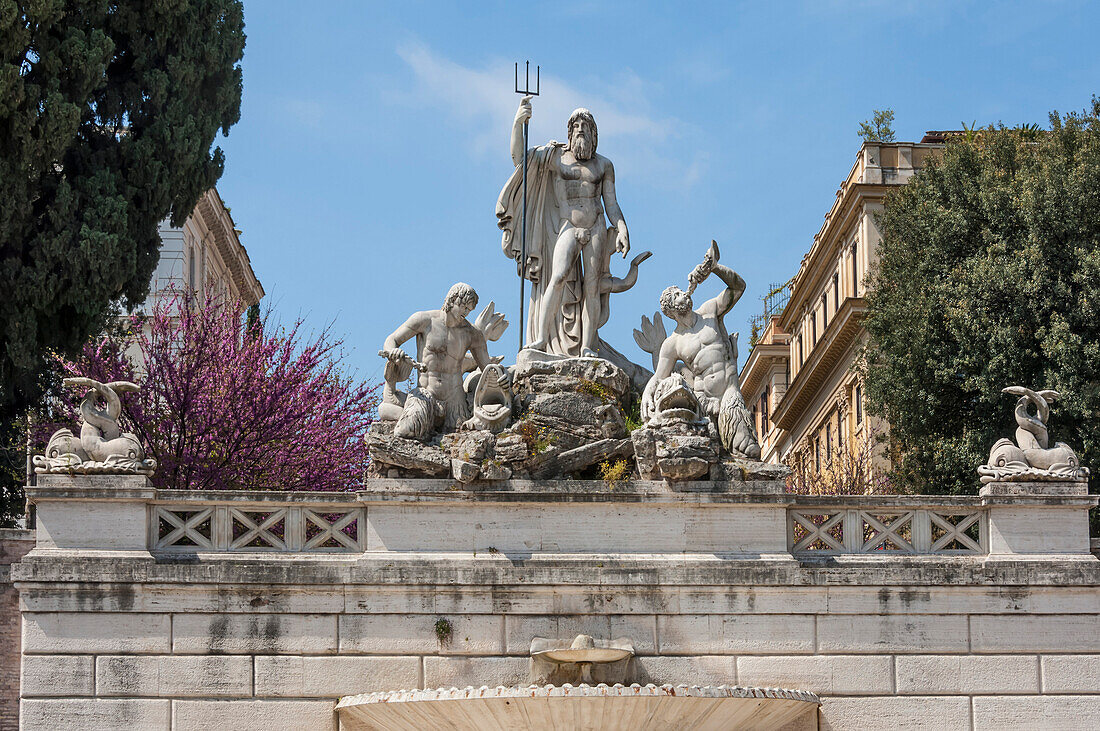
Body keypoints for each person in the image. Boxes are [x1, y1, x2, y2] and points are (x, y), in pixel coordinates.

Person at [497, 98, 629, 357]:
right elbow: (519, 158)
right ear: (569, 132)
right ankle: (541, 339)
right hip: (568, 226)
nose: (580, 129)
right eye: (576, 125)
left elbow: (611, 203)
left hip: (596, 227)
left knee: (591, 287)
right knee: (557, 278)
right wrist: (518, 122)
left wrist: (622, 228)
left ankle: (588, 346)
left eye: (586, 126)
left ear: (594, 134)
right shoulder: (554, 157)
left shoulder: (603, 165)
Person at [642, 242, 762, 459]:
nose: (683, 294)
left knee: (747, 451)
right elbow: (659, 377)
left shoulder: (709, 311)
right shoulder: (673, 343)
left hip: (728, 393)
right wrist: (647, 395)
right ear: (671, 310)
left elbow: (738, 288)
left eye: (681, 291)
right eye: (677, 294)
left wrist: (714, 268)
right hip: (702, 402)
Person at [379, 283, 496, 440]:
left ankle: (412, 414)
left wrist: (500, 377)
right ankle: (410, 413)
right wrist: (393, 351)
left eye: (469, 310)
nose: (466, 313)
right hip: (427, 394)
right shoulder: (424, 320)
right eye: (464, 307)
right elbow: (392, 339)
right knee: (406, 431)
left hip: (455, 402)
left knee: (464, 438)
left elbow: (487, 369)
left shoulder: (472, 334)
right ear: (452, 300)